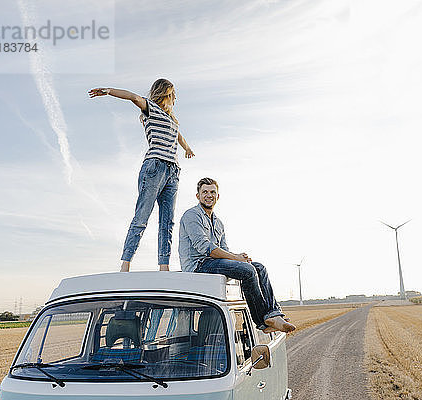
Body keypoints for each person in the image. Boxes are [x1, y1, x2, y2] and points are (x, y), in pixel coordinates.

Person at [88, 79, 194, 272]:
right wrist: (109, 91)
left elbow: (179, 136)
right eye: (173, 95)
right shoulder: (150, 108)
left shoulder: (172, 120)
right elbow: (133, 97)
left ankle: (164, 267)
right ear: (165, 93)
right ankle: (125, 264)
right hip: (155, 167)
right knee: (142, 217)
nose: (175, 99)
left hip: (173, 171)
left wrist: (187, 148)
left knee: (167, 221)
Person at [178, 177, 295, 333]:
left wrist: (239, 256)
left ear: (217, 196)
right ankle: (263, 322)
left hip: (213, 262)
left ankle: (273, 314)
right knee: (248, 271)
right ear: (198, 196)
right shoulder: (191, 215)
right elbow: (206, 248)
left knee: (259, 268)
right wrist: (237, 259)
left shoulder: (218, 222)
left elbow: (224, 249)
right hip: (198, 266)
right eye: (204, 192)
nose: (209, 195)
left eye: (212, 192)